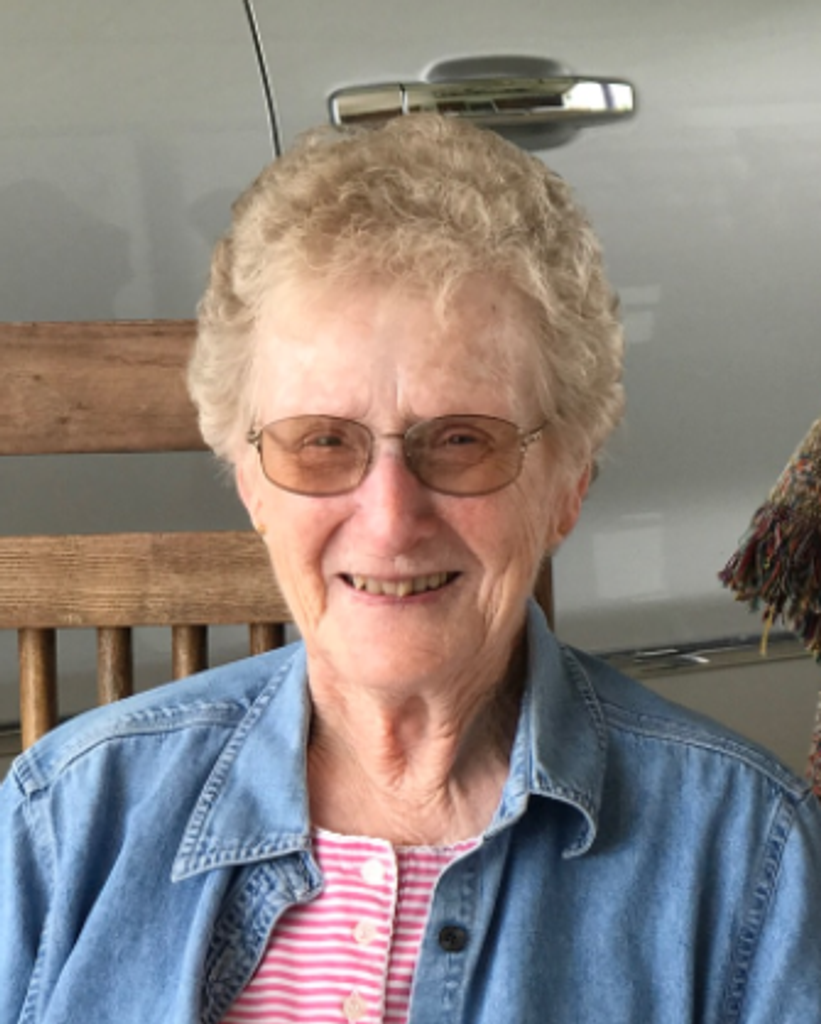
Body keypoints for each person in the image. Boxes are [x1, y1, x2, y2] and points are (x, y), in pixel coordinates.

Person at [1, 114, 820, 1024]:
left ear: (567, 485)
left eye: (462, 441)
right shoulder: (66, 817)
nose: (390, 521)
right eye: (321, 442)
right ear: (251, 483)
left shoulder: (742, 855)